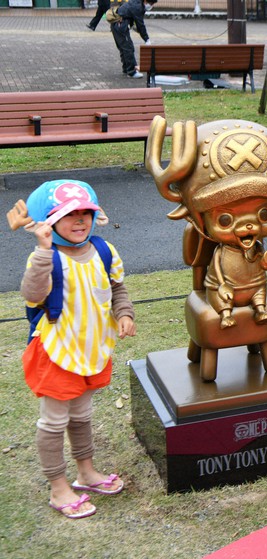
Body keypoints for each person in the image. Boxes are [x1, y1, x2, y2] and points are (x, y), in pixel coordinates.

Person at [17, 180, 136, 519]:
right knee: (54, 422)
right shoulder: (46, 257)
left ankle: (86, 472)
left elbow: (117, 288)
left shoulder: (103, 251)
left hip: (91, 349)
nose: (80, 220)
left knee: (82, 416)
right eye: (70, 214)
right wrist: (42, 251)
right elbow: (32, 294)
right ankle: (58, 488)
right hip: (57, 351)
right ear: (47, 223)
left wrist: (124, 313)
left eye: (86, 213)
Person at [110, 0, 157, 79]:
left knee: (124, 47)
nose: (151, 6)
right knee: (128, 48)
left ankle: (126, 69)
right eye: (151, 3)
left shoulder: (137, 3)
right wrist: (146, 39)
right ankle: (132, 71)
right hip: (120, 25)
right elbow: (140, 24)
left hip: (117, 24)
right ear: (145, 1)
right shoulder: (137, 7)